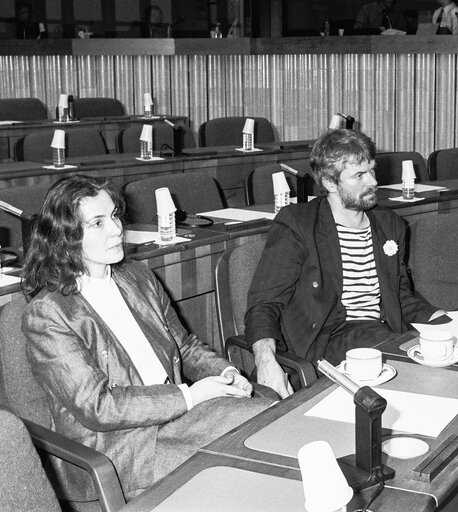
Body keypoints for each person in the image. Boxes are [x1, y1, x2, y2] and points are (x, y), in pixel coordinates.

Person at [21, 176, 273, 500]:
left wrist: (225, 373)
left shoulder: (136, 275)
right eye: (97, 223)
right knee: (244, 472)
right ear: (66, 237)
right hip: (122, 448)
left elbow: (185, 346)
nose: (115, 229)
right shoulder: (49, 314)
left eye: (114, 216)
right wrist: (191, 396)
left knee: (271, 422)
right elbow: (100, 408)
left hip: (180, 414)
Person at [245, 129, 444, 398]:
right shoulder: (298, 224)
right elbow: (264, 302)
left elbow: (399, 295)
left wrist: (441, 321)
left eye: (371, 170)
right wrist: (265, 360)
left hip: (380, 333)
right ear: (329, 182)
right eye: (359, 175)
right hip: (328, 339)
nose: (373, 181)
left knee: (439, 359)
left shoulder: (389, 225)